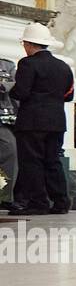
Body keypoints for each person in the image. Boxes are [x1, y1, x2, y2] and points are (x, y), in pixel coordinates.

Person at [10, 23, 74, 215]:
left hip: (32, 121)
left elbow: (21, 92)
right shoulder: (63, 66)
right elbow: (69, 95)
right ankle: (61, 202)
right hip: (56, 121)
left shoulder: (27, 63)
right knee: (52, 161)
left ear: (28, 44)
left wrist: (9, 89)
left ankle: (38, 203)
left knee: (32, 162)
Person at [0, 57, 18, 208]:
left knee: (10, 153)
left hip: (3, 119)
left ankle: (5, 197)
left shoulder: (7, 64)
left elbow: (16, 84)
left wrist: (3, 86)